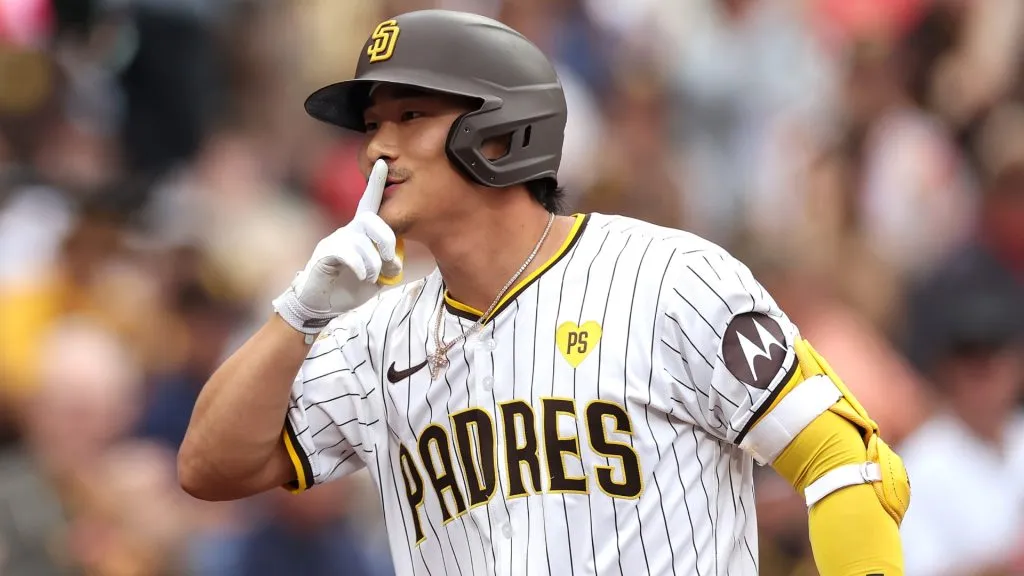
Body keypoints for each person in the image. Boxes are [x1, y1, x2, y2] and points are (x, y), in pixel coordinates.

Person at [178, 10, 909, 575]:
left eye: (409, 117)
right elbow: (210, 466)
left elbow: (851, 464)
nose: (377, 148)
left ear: (500, 131)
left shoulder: (669, 277)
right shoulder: (375, 337)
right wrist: (300, 313)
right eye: (371, 125)